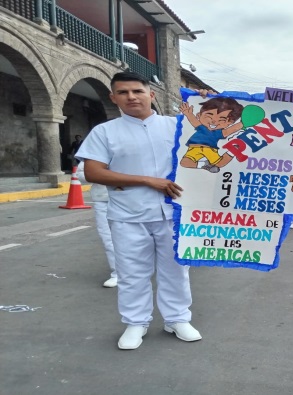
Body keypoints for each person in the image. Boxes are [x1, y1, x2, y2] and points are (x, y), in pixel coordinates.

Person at [76, 72, 204, 350]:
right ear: (113, 98)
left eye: (137, 91)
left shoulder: (177, 127)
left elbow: (221, 134)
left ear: (151, 95)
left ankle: (177, 319)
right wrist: (146, 180)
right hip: (128, 215)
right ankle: (136, 323)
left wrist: (211, 102)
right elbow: (94, 172)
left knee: (177, 269)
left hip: (175, 212)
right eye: (123, 92)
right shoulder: (104, 132)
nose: (131, 97)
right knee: (132, 272)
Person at [76, 161, 118, 287]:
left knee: (133, 237)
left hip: (129, 199)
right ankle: (117, 273)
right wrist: (100, 173)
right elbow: (81, 175)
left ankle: (139, 269)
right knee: (108, 237)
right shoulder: (96, 150)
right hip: (102, 199)